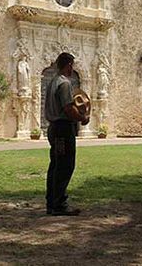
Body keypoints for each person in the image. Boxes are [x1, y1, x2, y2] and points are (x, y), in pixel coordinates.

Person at [44, 52, 90, 216]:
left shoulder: (52, 82)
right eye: (72, 65)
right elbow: (68, 108)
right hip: (63, 129)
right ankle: (59, 204)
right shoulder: (64, 84)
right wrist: (82, 118)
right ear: (69, 65)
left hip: (54, 128)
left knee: (55, 165)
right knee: (65, 165)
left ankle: (52, 202)